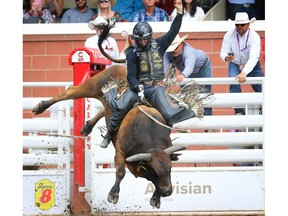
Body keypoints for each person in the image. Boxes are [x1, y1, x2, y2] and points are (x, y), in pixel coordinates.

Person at [100, 0, 185, 148]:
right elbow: (131, 75)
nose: (143, 42)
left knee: (169, 112)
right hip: (139, 88)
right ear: (136, 39)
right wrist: (137, 87)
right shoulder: (132, 53)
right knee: (121, 107)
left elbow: (173, 31)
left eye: (145, 39)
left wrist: (179, 13)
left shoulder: (159, 44)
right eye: (140, 40)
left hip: (156, 87)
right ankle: (109, 134)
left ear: (150, 37)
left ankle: (166, 139)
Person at [220, 12, 264, 116]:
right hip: (235, 63)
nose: (239, 27)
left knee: (261, 85)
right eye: (237, 25)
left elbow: (254, 57)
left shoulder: (254, 36)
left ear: (248, 25)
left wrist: (244, 72)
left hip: (251, 64)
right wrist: (226, 57)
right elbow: (223, 51)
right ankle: (239, 111)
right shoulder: (229, 35)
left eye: (242, 25)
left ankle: (266, 106)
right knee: (234, 83)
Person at [163, 34, 213, 118]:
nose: (173, 51)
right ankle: (186, 120)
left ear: (181, 45)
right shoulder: (167, 54)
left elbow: (189, 66)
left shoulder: (188, 52)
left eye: (175, 47)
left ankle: (208, 121)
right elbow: (165, 67)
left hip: (202, 69)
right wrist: (161, 78)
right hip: (185, 71)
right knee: (184, 94)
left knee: (205, 94)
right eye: (171, 49)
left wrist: (183, 75)